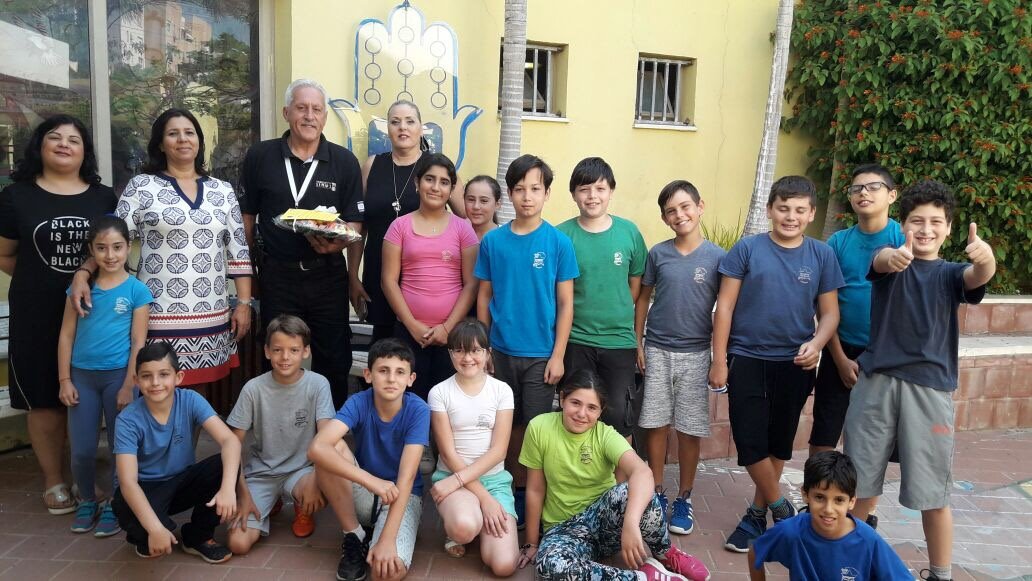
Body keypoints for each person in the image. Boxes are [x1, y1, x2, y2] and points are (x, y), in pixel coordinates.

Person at [844, 180, 996, 581]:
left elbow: (977, 276)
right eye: (916, 221)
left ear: (949, 228)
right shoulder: (890, 260)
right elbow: (881, 261)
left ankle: (940, 574)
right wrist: (893, 256)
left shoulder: (950, 274)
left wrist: (986, 261)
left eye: (935, 222)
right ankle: (847, 566)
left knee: (933, 493)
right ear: (902, 225)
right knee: (859, 486)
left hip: (929, 390)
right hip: (876, 384)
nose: (926, 229)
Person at [71, 108, 254, 396]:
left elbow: (238, 250)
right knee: (155, 389)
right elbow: (112, 239)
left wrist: (243, 303)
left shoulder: (222, 190)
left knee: (195, 398)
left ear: (199, 141)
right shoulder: (142, 186)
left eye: (189, 132)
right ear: (160, 144)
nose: (182, 139)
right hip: (155, 313)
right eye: (173, 133)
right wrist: (84, 272)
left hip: (211, 313)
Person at [709, 175, 844, 553]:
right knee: (750, 441)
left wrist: (817, 344)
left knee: (778, 442)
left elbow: (830, 314)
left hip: (795, 363)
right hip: (746, 358)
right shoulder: (747, 249)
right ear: (770, 209)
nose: (791, 216)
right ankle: (783, 510)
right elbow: (725, 308)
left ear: (811, 214)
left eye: (800, 210)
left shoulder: (821, 255)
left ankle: (756, 514)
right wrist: (719, 360)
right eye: (783, 208)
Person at [0, 114, 116, 514]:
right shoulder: (16, 196)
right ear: (40, 146)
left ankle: (83, 474)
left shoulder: (103, 198)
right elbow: (5, 255)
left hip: (94, 313)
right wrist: (44, 281)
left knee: (85, 394)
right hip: (37, 312)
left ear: (85, 152)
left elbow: (112, 249)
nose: (65, 144)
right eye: (55, 137)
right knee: (44, 396)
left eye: (74, 139)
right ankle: (54, 479)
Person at [240, 79, 363, 409]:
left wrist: (338, 246)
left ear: (325, 117)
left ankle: (331, 428)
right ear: (286, 112)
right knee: (278, 354)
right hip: (277, 275)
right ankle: (278, 427)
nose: (309, 116)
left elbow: (354, 223)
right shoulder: (260, 156)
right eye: (301, 108)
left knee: (334, 357)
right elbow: (246, 218)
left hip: (328, 275)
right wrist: (248, 274)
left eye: (317, 109)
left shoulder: (344, 161)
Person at [518, 370, 711, 581]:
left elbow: (642, 472)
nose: (582, 413)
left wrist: (631, 522)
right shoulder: (539, 427)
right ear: (562, 399)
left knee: (635, 492)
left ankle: (665, 554)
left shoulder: (605, 434)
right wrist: (531, 543)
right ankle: (643, 578)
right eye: (575, 403)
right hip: (563, 530)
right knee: (549, 566)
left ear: (600, 411)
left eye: (591, 407)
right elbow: (535, 489)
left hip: (606, 524)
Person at [474, 154, 578, 526]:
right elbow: (484, 296)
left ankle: (534, 498)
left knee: (537, 429)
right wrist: (485, 349)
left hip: (540, 355)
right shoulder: (493, 242)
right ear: (509, 194)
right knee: (506, 425)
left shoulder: (558, 242)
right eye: (520, 189)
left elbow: (566, 303)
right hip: (500, 352)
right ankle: (510, 490)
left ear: (547, 193)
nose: (527, 196)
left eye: (535, 189)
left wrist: (558, 354)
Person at [634, 180, 725, 535]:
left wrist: (719, 357)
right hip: (657, 349)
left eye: (685, 206)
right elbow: (643, 298)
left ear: (700, 206)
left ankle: (684, 497)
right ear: (664, 218)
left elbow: (726, 308)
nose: (679, 215)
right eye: (671, 211)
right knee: (655, 423)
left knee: (689, 429)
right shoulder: (658, 254)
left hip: (697, 353)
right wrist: (638, 342)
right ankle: (656, 491)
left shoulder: (718, 257)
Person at [57, 216, 152, 536]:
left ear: (128, 247)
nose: (110, 255)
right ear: (91, 250)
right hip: (81, 378)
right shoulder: (80, 289)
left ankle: (116, 501)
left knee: (119, 446)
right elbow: (66, 335)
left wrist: (129, 384)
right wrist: (65, 380)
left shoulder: (137, 290)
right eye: (101, 248)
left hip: (119, 379)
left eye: (117, 247)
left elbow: (138, 342)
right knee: (82, 450)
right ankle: (87, 499)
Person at [226, 314, 353, 554]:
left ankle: (302, 505)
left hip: (302, 471)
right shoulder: (253, 389)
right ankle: (270, 500)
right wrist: (241, 493)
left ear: (306, 352)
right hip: (262, 473)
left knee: (333, 462)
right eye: (278, 350)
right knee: (238, 544)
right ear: (267, 352)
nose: (285, 357)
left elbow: (328, 438)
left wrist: (316, 480)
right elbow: (232, 445)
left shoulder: (318, 384)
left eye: (294, 350)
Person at [308, 338, 430, 581]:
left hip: (402, 496)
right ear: (368, 375)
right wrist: (371, 481)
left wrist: (387, 540)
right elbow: (316, 448)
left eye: (400, 372)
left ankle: (381, 533)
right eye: (383, 370)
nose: (391, 379)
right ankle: (354, 534)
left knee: (388, 573)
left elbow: (406, 480)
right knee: (332, 447)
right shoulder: (359, 402)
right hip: (365, 492)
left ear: (411, 379)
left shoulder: (418, 410)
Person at [111, 342, 241, 563]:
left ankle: (198, 536)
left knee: (225, 464)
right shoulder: (127, 420)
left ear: (178, 377)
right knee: (125, 506)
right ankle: (146, 535)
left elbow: (230, 441)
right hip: (145, 488)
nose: (155, 383)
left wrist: (228, 489)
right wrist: (154, 529)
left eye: (164, 374)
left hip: (180, 481)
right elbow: (128, 482)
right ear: (136, 381)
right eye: (146, 376)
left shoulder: (190, 399)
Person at [811, 164, 904, 459]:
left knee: (877, 438)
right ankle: (818, 487)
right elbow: (825, 305)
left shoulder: (905, 238)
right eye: (857, 188)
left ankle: (865, 492)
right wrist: (839, 359)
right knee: (824, 433)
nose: (864, 193)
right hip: (840, 350)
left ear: (892, 195)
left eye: (873, 187)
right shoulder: (838, 243)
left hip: (888, 355)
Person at [354, 100, 464, 343]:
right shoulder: (372, 165)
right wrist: (353, 275)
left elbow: (467, 217)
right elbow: (359, 226)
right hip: (380, 274)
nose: (402, 127)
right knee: (385, 348)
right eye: (395, 122)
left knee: (427, 350)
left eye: (410, 121)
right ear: (387, 129)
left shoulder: (437, 169)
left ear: (421, 128)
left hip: (427, 282)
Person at [557, 157, 648, 442]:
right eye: (584, 189)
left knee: (619, 415)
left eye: (600, 188)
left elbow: (635, 287)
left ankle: (618, 471)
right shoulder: (562, 236)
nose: (592, 196)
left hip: (618, 341)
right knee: (577, 413)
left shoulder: (629, 232)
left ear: (611, 191)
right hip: (576, 340)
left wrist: (617, 312)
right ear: (573, 194)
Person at [381, 153, 479, 399]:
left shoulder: (463, 228)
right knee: (409, 401)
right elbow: (388, 281)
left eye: (444, 182)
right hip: (408, 333)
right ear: (417, 183)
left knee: (447, 405)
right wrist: (412, 325)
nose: (435, 187)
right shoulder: (399, 226)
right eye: (429, 179)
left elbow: (471, 283)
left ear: (452, 189)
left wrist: (447, 328)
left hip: (452, 336)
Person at [427, 319, 518, 575]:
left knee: (504, 565)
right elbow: (447, 453)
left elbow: (499, 452)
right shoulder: (439, 392)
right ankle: (463, 521)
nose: (468, 358)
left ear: (488, 353)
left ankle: (478, 516)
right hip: (452, 478)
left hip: (494, 481)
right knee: (464, 528)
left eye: (476, 350)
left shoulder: (502, 391)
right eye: (460, 350)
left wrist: (489, 497)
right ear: (450, 354)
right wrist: (484, 499)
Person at [747, 451, 912, 580]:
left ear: (852, 501)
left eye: (839, 500)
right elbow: (755, 552)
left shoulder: (867, 540)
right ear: (805, 495)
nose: (828, 509)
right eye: (820, 497)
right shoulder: (791, 531)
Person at [463, 175, 502, 240]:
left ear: (497, 204)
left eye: (484, 201)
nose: (476, 206)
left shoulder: (506, 238)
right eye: (471, 199)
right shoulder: (456, 234)